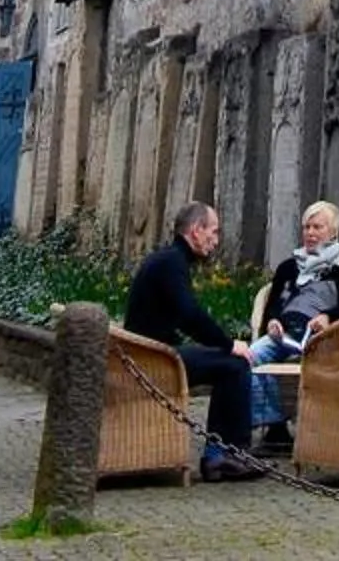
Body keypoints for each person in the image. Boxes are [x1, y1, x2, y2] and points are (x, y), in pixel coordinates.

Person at [123, 199, 263, 481]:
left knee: (228, 363)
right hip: (155, 361)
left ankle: (222, 454)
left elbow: (182, 316)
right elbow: (190, 315)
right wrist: (229, 344)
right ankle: (224, 456)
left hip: (151, 355)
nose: (216, 240)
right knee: (235, 366)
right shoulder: (171, 262)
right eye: (214, 231)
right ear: (196, 231)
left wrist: (218, 344)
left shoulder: (168, 259)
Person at [247, 198, 339, 444]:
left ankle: (318, 431)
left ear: (333, 232)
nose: (310, 233)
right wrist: (272, 322)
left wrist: (328, 316)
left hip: (322, 337)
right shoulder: (288, 267)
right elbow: (273, 305)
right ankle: (275, 426)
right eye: (307, 227)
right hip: (284, 334)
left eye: (317, 227)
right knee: (247, 358)